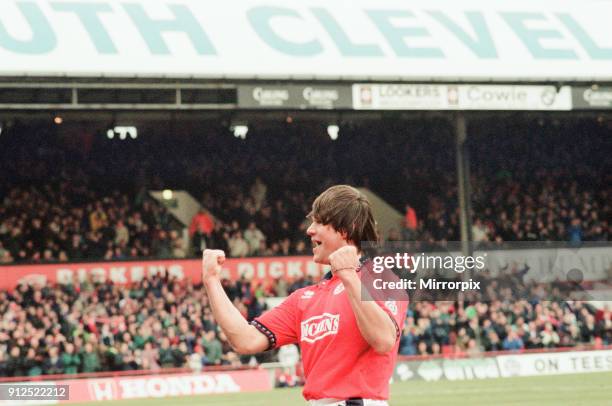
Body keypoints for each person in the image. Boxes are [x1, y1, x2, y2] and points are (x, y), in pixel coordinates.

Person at [202, 185, 407, 405]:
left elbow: (384, 340)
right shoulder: (304, 298)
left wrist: (348, 276)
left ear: (347, 229)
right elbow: (245, 340)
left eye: (320, 222)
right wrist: (212, 281)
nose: (309, 230)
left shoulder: (382, 278)